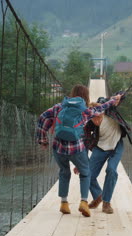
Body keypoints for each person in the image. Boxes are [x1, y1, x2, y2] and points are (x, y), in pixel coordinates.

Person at [36, 85, 122, 217]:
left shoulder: (59, 107)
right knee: (86, 173)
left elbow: (43, 117)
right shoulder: (85, 110)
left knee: (64, 172)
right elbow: (101, 108)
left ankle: (64, 203)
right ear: (86, 97)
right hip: (76, 149)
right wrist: (113, 100)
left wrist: (43, 139)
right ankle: (83, 202)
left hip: (58, 148)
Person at [75, 95, 132, 214]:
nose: (96, 121)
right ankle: (98, 195)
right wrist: (80, 163)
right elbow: (84, 143)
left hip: (116, 145)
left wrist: (118, 96)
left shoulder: (109, 110)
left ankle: (106, 203)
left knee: (111, 170)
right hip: (100, 147)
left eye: (97, 118)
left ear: (101, 112)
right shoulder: (88, 124)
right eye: (93, 119)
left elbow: (123, 94)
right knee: (87, 174)